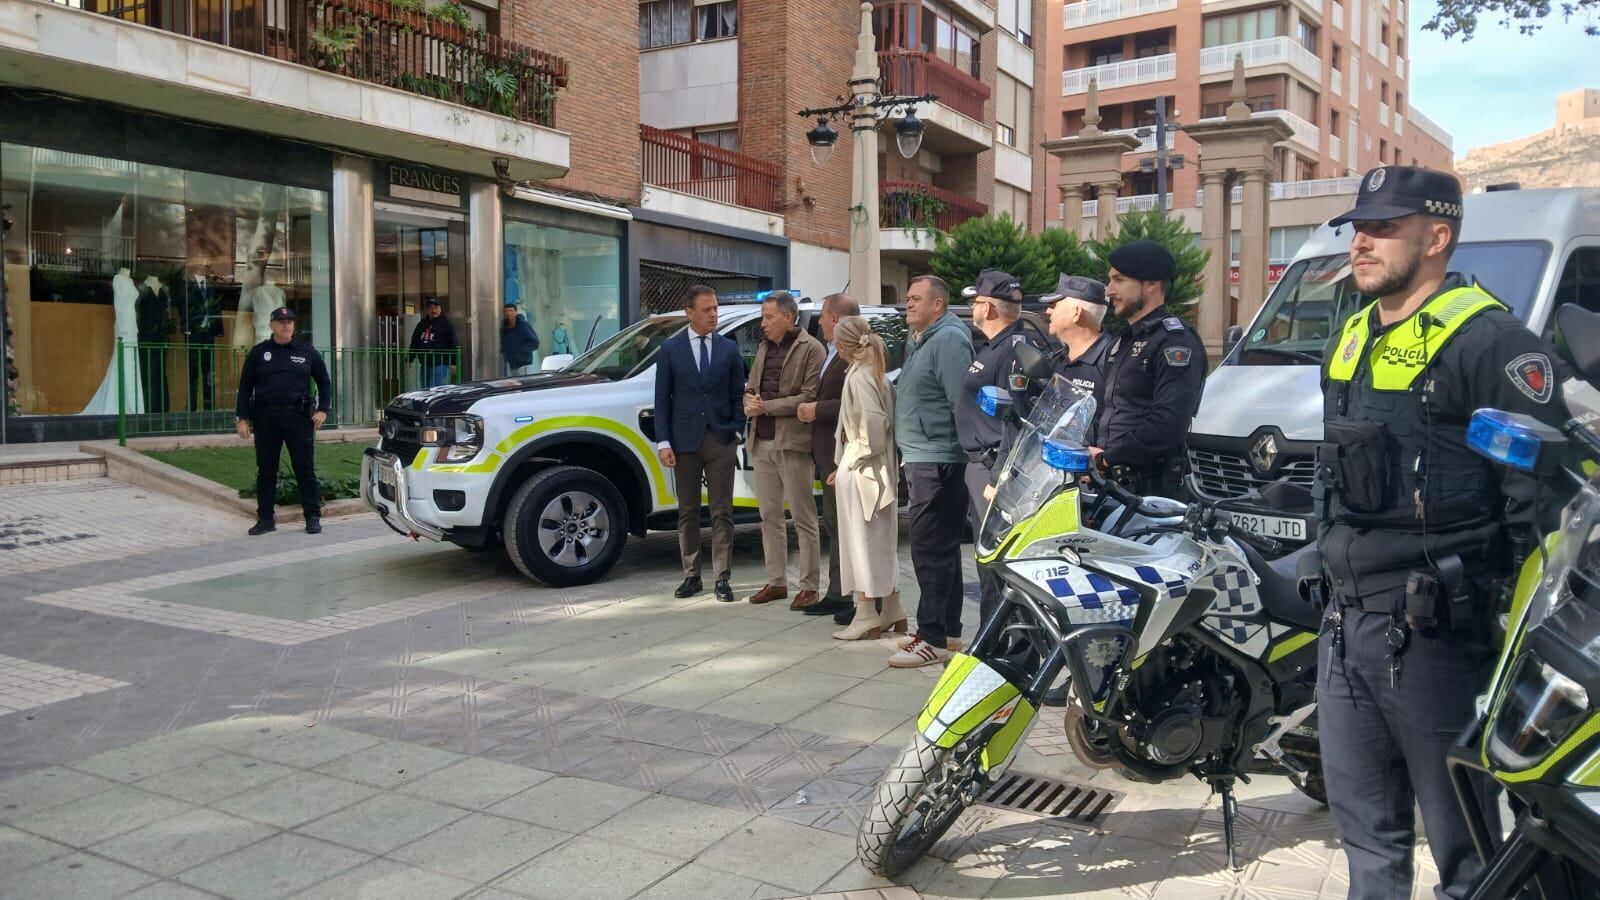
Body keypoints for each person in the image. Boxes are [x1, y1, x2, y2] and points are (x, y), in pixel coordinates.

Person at [1313, 165, 1569, 900]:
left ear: (1437, 236)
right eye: (1359, 226)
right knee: (1368, 844)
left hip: (1437, 636)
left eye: (1383, 228)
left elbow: (1537, 506)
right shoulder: (1354, 331)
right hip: (1346, 625)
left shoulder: (1492, 342)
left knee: (1467, 855)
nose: (1361, 241)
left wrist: (1506, 639)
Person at [891, 275, 975, 668]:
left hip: (938, 457)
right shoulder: (924, 337)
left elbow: (960, 401)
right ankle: (947, 632)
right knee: (940, 550)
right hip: (924, 453)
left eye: (915, 298)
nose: (907, 304)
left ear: (937, 304)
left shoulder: (948, 339)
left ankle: (932, 637)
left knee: (928, 548)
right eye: (907, 298)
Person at [955, 269, 1047, 626]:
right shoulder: (995, 347)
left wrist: (999, 477)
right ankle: (993, 641)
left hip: (995, 469)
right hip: (980, 465)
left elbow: (1020, 422)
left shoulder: (1015, 352)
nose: (971, 306)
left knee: (998, 563)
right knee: (986, 562)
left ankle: (1007, 646)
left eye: (975, 300)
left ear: (989, 308)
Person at [1089, 240, 1207, 497]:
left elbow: (1167, 426)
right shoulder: (1122, 341)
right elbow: (1108, 411)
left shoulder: (1174, 341)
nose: (1109, 291)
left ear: (1151, 283)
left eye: (1118, 280)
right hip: (1111, 484)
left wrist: (1106, 459)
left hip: (1150, 491)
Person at [655, 285, 746, 604]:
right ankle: (691, 574)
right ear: (689, 313)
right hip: (684, 441)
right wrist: (663, 441)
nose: (713, 315)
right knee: (688, 510)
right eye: (707, 310)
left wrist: (737, 430)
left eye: (715, 309)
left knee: (722, 510)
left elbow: (738, 394)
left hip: (721, 438)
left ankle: (722, 577)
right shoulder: (670, 349)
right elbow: (662, 399)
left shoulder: (728, 348)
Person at [828, 315, 907, 640]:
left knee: (860, 544)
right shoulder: (874, 373)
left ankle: (865, 613)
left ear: (843, 345)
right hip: (877, 472)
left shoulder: (859, 377)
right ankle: (892, 608)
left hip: (863, 471)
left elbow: (873, 428)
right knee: (877, 542)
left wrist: (852, 457)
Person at [744, 291, 826, 607]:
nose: (763, 324)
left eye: (769, 317)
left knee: (803, 517)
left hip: (792, 444)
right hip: (761, 441)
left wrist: (765, 407)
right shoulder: (764, 348)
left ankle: (809, 586)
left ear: (788, 318)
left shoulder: (812, 349)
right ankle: (776, 582)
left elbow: (809, 396)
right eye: (763, 317)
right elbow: (751, 387)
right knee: (769, 516)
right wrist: (748, 401)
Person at [235, 307, 331, 536]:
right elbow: (245, 388)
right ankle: (265, 519)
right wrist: (242, 418)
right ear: (271, 325)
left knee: (304, 468)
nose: (286, 325)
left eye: (290, 321)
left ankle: (312, 517)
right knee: (266, 469)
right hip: (266, 418)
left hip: (298, 418)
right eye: (281, 321)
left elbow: (324, 382)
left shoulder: (307, 352)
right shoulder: (259, 353)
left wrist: (323, 410)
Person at [796, 293, 857, 620]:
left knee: (847, 528)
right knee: (834, 525)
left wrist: (815, 409)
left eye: (822, 315)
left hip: (843, 453)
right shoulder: (833, 353)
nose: (818, 322)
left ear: (835, 319)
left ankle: (852, 597)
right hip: (827, 452)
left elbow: (854, 402)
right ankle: (838, 592)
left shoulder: (854, 356)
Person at [1042, 274, 1113, 402]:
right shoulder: (1058, 360)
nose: (1047, 311)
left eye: (1054, 306)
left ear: (1076, 313)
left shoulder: (1113, 364)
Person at [410, 298, 458, 388]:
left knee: (437, 390)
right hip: (425, 363)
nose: (433, 310)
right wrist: (409, 358)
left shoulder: (447, 324)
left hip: (441, 363)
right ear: (426, 310)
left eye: (436, 308)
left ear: (440, 309)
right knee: (425, 390)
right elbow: (415, 341)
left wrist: (454, 363)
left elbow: (453, 343)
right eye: (431, 308)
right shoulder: (422, 324)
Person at [501, 302, 540, 375]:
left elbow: (534, 342)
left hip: (523, 364)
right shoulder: (504, 327)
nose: (509, 313)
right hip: (512, 363)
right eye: (506, 311)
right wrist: (504, 353)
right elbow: (504, 342)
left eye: (511, 311)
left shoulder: (522, 325)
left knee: (523, 384)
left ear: (516, 312)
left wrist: (520, 352)